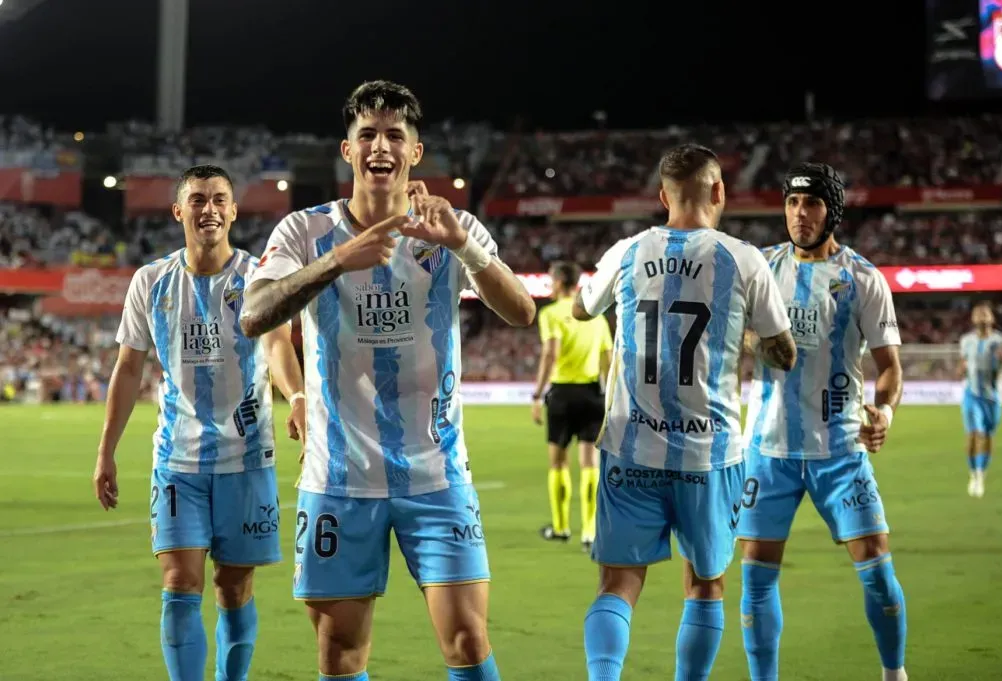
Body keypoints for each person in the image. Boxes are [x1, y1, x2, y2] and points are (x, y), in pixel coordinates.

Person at [239, 80, 535, 681]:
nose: (381, 146)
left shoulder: (451, 227)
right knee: (340, 652)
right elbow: (254, 316)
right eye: (367, 134)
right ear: (347, 152)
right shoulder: (304, 233)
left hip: (437, 472)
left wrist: (466, 250)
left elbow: (523, 312)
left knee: (468, 639)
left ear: (415, 152)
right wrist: (335, 262)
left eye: (394, 135)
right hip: (338, 478)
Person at [572, 143, 796, 681]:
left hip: (630, 447)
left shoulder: (627, 251)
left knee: (617, 584)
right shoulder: (743, 258)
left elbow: (582, 308)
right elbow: (783, 352)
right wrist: (739, 335)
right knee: (705, 584)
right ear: (718, 191)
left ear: (661, 196)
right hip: (710, 453)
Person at [92, 164, 306, 681]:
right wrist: (106, 451)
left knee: (234, 588)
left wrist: (297, 393)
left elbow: (278, 344)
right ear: (179, 211)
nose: (208, 209)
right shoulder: (152, 281)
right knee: (179, 580)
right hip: (178, 459)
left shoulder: (260, 277)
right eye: (197, 200)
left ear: (232, 210)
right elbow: (128, 368)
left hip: (247, 455)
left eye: (218, 199)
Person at [738, 162, 908, 681]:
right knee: (755, 580)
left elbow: (890, 368)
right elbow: (731, 334)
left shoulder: (862, 278)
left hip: (839, 448)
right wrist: (758, 342)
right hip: (768, 450)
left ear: (832, 210)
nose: (799, 214)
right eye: (791, 203)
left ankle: (893, 673)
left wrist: (885, 410)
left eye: (810, 204)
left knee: (877, 567)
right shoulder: (761, 267)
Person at [531, 260, 612, 551]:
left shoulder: (550, 314)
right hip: (593, 394)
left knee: (558, 461)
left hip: (562, 394)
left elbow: (550, 354)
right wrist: (609, 396)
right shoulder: (596, 317)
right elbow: (608, 358)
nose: (550, 286)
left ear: (560, 281)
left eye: (552, 281)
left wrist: (537, 395)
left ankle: (561, 526)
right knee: (590, 464)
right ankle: (589, 531)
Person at [957, 300, 1002, 497]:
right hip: (971, 394)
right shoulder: (966, 341)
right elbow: (960, 369)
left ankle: (981, 473)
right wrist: (962, 369)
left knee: (988, 436)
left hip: (992, 397)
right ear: (973, 319)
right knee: (974, 434)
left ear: (992, 319)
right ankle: (973, 474)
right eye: (978, 313)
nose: (982, 316)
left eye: (986, 313)